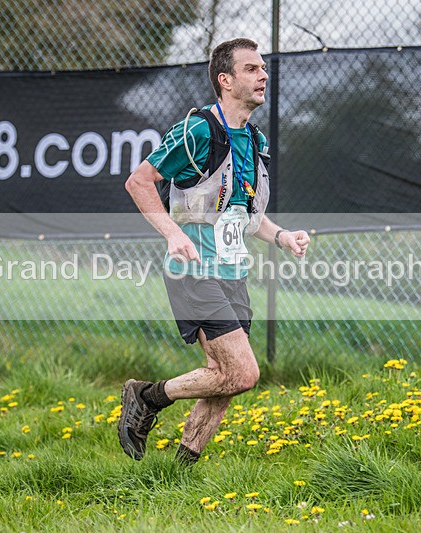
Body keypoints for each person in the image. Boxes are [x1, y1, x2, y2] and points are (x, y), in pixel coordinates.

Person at [119, 38, 310, 466]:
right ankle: (147, 396)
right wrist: (172, 234)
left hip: (232, 270)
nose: (263, 75)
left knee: (225, 379)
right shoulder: (198, 130)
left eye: (263, 68)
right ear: (225, 80)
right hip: (193, 267)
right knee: (243, 372)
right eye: (251, 69)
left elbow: (246, 213)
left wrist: (283, 237)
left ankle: (180, 474)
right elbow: (139, 182)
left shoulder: (255, 141)